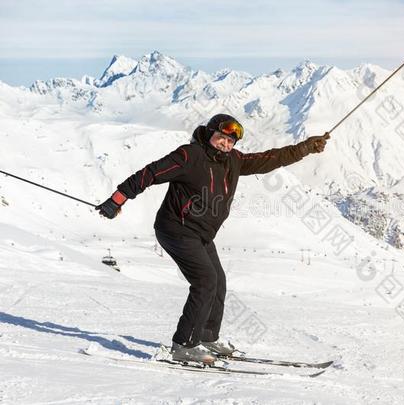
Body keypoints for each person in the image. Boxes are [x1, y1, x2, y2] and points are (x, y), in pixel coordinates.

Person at [96, 114, 330, 364]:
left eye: (231, 141)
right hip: (176, 229)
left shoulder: (233, 161)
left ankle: (207, 336)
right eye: (221, 137)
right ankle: (184, 344)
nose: (225, 144)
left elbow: (269, 159)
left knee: (218, 281)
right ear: (209, 133)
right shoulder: (190, 156)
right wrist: (117, 199)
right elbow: (150, 173)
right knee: (205, 281)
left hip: (201, 235)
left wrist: (306, 147)